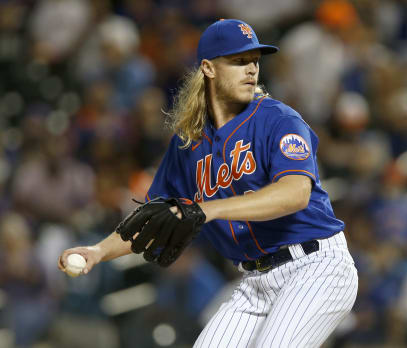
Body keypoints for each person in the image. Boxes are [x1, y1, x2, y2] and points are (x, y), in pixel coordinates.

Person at [59, 19, 358, 347]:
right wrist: (98, 251)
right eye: (238, 61)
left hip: (315, 266)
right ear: (209, 68)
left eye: (254, 61)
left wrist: (206, 209)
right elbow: (155, 219)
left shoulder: (277, 119)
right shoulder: (188, 144)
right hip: (255, 280)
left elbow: (295, 193)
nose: (251, 70)